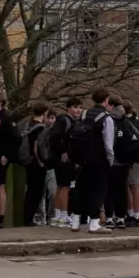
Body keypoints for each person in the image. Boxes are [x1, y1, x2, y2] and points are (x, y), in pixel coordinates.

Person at [70, 89, 115, 234]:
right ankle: (94, 222)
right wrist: (110, 160)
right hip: (99, 158)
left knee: (81, 188)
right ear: (106, 100)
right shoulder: (107, 118)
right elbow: (108, 143)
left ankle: (75, 221)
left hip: (82, 158)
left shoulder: (84, 114)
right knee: (98, 190)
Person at [0, 91, 21, 229]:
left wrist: (7, 155)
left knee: (0, 186)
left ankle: (1, 218)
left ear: (1, 102)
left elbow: (17, 138)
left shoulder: (6, 118)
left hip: (1, 156)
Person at [48, 98, 82, 228]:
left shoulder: (72, 121)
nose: (78, 110)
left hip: (65, 158)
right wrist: (63, 151)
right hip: (64, 159)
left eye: (79, 107)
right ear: (68, 108)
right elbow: (56, 137)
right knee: (65, 187)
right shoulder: (64, 120)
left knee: (61, 187)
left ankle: (58, 216)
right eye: (75, 107)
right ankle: (63, 216)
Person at [105, 96, 133, 229]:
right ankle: (121, 217)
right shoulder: (126, 120)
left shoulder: (109, 119)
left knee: (110, 190)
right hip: (124, 161)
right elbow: (137, 137)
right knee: (122, 190)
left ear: (111, 106)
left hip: (112, 161)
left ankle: (109, 217)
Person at [22, 102, 50, 227]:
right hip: (37, 163)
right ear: (44, 113)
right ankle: (29, 219)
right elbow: (37, 147)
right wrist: (42, 161)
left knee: (30, 191)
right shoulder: (41, 128)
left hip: (28, 161)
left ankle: (26, 217)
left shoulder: (28, 125)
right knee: (37, 192)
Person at [124, 100, 139, 227]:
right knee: (130, 186)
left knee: (133, 186)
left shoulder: (130, 123)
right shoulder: (137, 122)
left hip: (134, 159)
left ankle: (134, 215)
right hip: (134, 159)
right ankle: (131, 213)